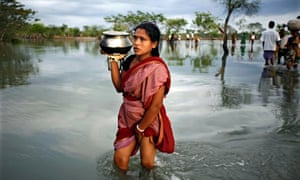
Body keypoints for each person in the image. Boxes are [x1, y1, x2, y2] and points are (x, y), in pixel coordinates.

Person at [108, 22, 174, 173]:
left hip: (147, 119)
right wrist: (112, 59)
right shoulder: (130, 61)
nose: (136, 43)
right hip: (128, 116)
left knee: (147, 164)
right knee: (120, 160)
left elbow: (155, 106)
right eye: (135, 38)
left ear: (154, 44)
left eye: (142, 39)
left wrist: (141, 127)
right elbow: (119, 87)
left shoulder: (158, 68)